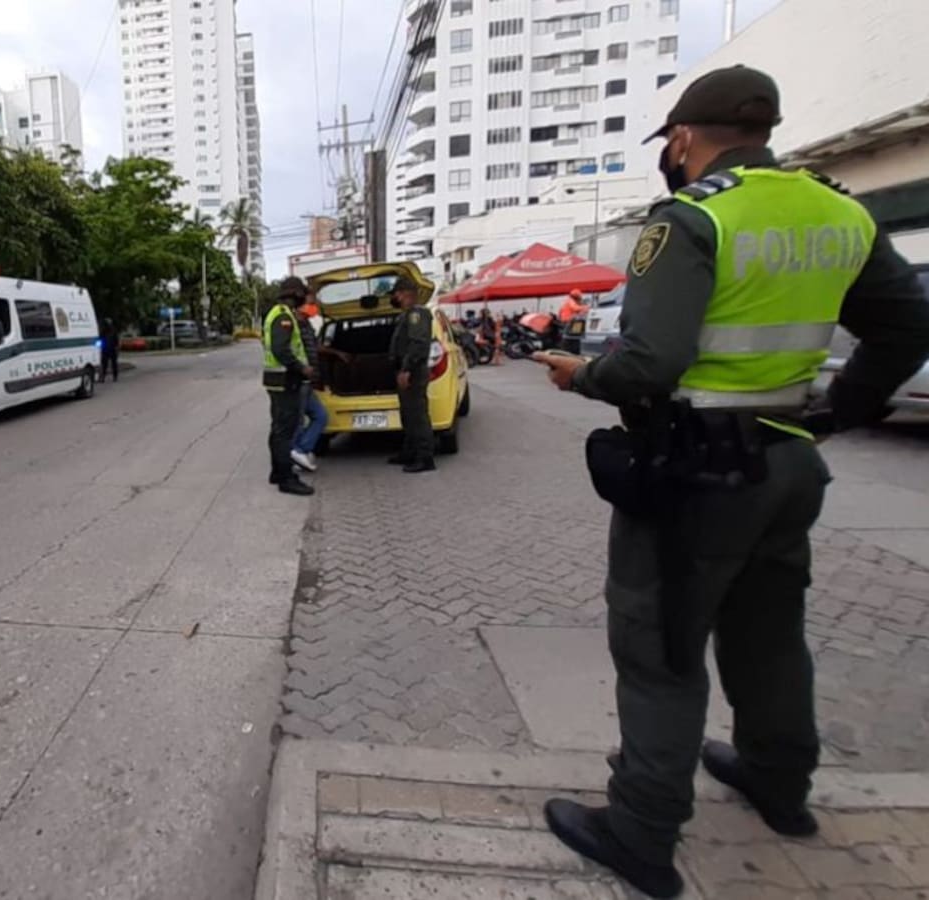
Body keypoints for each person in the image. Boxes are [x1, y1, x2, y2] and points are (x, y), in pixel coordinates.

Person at [533, 65, 929, 899]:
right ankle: (778, 783)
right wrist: (835, 412)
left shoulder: (693, 217)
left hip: (697, 472)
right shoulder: (841, 210)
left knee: (661, 646)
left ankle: (641, 829)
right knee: (769, 630)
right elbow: (907, 326)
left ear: (681, 140)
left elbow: (650, 363)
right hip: (790, 463)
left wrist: (582, 374)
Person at [263, 277, 315, 496]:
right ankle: (286, 478)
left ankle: (277, 472)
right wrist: (302, 368)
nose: (304, 298)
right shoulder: (283, 316)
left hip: (277, 381)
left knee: (278, 429)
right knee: (286, 431)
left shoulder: (277, 313)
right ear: (294, 293)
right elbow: (280, 349)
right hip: (285, 381)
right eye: (302, 293)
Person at [291, 298, 346, 473]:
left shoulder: (306, 324)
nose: (313, 306)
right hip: (299, 381)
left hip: (309, 382)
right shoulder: (292, 326)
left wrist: (337, 353)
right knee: (298, 422)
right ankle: (296, 455)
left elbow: (316, 347)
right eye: (310, 302)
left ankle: (300, 451)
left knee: (321, 416)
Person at [387, 276, 435, 473]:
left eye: (396, 293)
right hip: (406, 371)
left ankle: (425, 459)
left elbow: (418, 344)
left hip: (413, 372)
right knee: (408, 415)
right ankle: (409, 452)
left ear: (405, 293)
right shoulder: (406, 314)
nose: (395, 297)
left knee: (417, 416)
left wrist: (406, 369)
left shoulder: (417, 314)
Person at [99, 318, 119, 383]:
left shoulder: (113, 330)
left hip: (112, 349)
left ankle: (115, 376)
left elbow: (116, 340)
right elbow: (100, 338)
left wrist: (116, 348)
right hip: (105, 349)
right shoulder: (103, 330)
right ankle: (103, 377)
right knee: (104, 364)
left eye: (109, 322)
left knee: (114, 364)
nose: (108, 323)